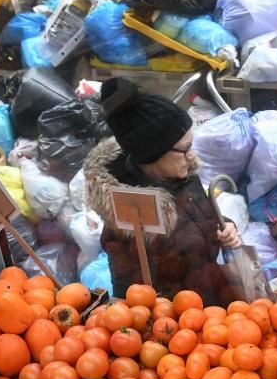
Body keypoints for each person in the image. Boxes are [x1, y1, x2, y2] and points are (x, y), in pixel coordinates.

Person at [84, 78, 240, 305]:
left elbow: (200, 214)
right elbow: (136, 294)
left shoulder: (182, 176)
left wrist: (223, 225)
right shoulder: (128, 212)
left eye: (190, 144)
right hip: (174, 321)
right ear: (152, 152)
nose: (191, 155)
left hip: (209, 305)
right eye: (183, 149)